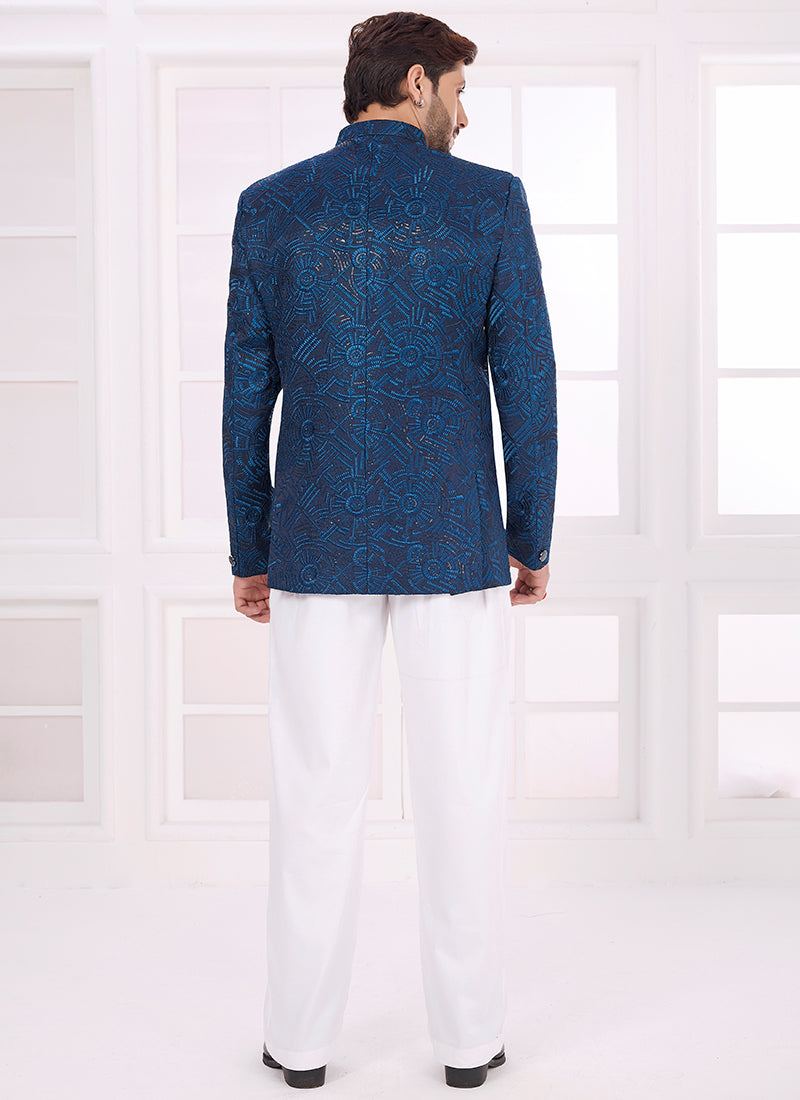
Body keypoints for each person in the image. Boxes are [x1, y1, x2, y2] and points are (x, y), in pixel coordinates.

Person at [221, 10, 557, 1090]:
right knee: (462, 795)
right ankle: (467, 1043)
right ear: (416, 82)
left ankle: (299, 1044)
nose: (462, 112)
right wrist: (530, 536)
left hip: (314, 542)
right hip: (454, 543)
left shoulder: (271, 205)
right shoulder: (489, 201)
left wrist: (249, 545)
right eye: (457, 89)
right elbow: (528, 385)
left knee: (313, 796)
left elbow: (244, 398)